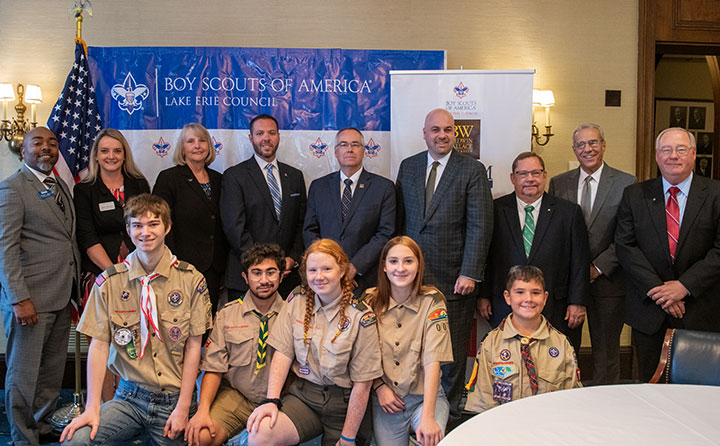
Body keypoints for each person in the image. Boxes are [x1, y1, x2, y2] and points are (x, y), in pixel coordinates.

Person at [60, 194, 212, 445]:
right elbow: (99, 346)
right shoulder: (110, 282)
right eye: (137, 225)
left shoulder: (191, 280)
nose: (145, 232)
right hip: (128, 398)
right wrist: (92, 407)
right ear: (128, 230)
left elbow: (194, 346)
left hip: (173, 400)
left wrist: (183, 408)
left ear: (167, 227)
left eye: (153, 224)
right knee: (77, 441)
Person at [395, 108, 493, 427]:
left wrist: (470, 271)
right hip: (411, 281)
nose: (442, 135)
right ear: (424, 133)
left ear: (455, 134)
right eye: (435, 129)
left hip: (454, 281)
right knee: (412, 350)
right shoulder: (408, 167)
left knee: (449, 357)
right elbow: (401, 223)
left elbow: (481, 224)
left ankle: (447, 420)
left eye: (448, 130)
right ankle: (417, 416)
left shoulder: (472, 169)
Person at [245, 239, 382, 446]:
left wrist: (347, 438)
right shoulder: (297, 301)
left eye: (327, 268)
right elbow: (283, 352)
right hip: (304, 397)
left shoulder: (361, 317)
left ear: (343, 269)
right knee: (260, 433)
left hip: (344, 405)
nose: (319, 276)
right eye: (312, 270)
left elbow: (363, 385)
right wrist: (271, 400)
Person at [615, 127, 720, 382]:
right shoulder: (635, 194)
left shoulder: (716, 193)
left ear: (693, 154)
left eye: (680, 149)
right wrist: (661, 292)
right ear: (657, 155)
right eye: (666, 149)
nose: (673, 155)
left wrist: (684, 286)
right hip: (650, 310)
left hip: (699, 309)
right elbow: (625, 246)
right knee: (650, 390)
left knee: (698, 391)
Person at [0, 126, 80, 445]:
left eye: (52, 142)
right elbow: (5, 249)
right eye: (38, 142)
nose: (46, 147)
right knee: (23, 375)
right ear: (24, 151)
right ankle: (22, 436)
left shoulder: (59, 185)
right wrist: (19, 299)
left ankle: (42, 425)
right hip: (31, 298)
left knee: (50, 371)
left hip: (61, 295)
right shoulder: (12, 188)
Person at [548, 123, 636, 385]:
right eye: (581, 144)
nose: (588, 149)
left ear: (603, 145)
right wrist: (575, 272)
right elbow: (554, 233)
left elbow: (628, 236)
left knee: (606, 352)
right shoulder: (558, 183)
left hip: (608, 282)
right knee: (564, 350)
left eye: (593, 143)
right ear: (574, 149)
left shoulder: (626, 183)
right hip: (568, 285)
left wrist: (596, 268)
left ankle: (606, 409)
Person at [479, 152, 590, 350]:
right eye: (523, 174)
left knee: (554, 365)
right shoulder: (494, 210)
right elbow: (485, 256)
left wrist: (577, 302)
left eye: (535, 173)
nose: (530, 179)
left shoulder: (569, 212)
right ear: (513, 178)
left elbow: (579, 261)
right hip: (504, 305)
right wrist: (483, 295)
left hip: (556, 306)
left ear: (544, 176)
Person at [74, 129, 151, 400]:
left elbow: (147, 227)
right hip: (101, 274)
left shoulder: (138, 184)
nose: (111, 156)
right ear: (96, 154)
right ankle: (104, 406)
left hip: (138, 272)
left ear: (125, 154)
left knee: (134, 339)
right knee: (103, 342)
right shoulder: (84, 189)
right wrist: (114, 272)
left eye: (117, 151)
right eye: (105, 151)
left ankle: (133, 403)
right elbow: (86, 236)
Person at [185, 243, 286, 446]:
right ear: (245, 277)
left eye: (271, 272)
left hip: (280, 400)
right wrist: (202, 410)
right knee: (199, 438)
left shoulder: (293, 315)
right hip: (237, 396)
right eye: (256, 273)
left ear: (282, 276)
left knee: (261, 439)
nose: (264, 280)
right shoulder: (227, 315)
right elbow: (214, 368)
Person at [365, 236, 452, 446]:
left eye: (408, 261)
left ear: (418, 265)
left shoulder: (433, 301)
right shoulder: (369, 301)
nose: (400, 268)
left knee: (432, 440)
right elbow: (362, 357)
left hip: (425, 398)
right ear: (384, 266)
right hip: (386, 401)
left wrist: (428, 417)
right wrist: (379, 388)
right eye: (393, 261)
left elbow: (433, 360)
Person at [465, 265, 581, 413]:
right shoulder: (491, 343)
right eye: (520, 292)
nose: (528, 299)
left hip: (549, 426)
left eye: (536, 293)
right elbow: (482, 403)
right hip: (504, 427)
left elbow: (571, 399)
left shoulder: (561, 344)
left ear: (545, 298)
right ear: (508, 297)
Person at [221, 114, 306, 299]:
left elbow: (301, 224)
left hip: (287, 277)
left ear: (278, 136)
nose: (266, 138)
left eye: (271, 133)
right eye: (260, 133)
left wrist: (292, 258)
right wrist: (264, 266)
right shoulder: (235, 176)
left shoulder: (294, 176)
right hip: (247, 276)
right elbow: (234, 227)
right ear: (251, 138)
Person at [303, 127, 396, 296]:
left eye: (355, 144)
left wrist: (354, 267)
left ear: (364, 150)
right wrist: (328, 266)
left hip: (366, 280)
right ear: (336, 152)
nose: (349, 149)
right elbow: (309, 230)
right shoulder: (318, 187)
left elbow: (385, 233)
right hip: (325, 279)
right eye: (344, 144)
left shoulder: (383, 187)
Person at [153, 123, 226, 314]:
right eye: (190, 141)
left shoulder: (219, 179)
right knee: (181, 321)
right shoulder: (169, 178)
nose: (197, 146)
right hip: (181, 265)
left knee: (206, 322)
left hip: (213, 267)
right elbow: (160, 223)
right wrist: (172, 261)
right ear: (182, 147)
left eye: (202, 140)